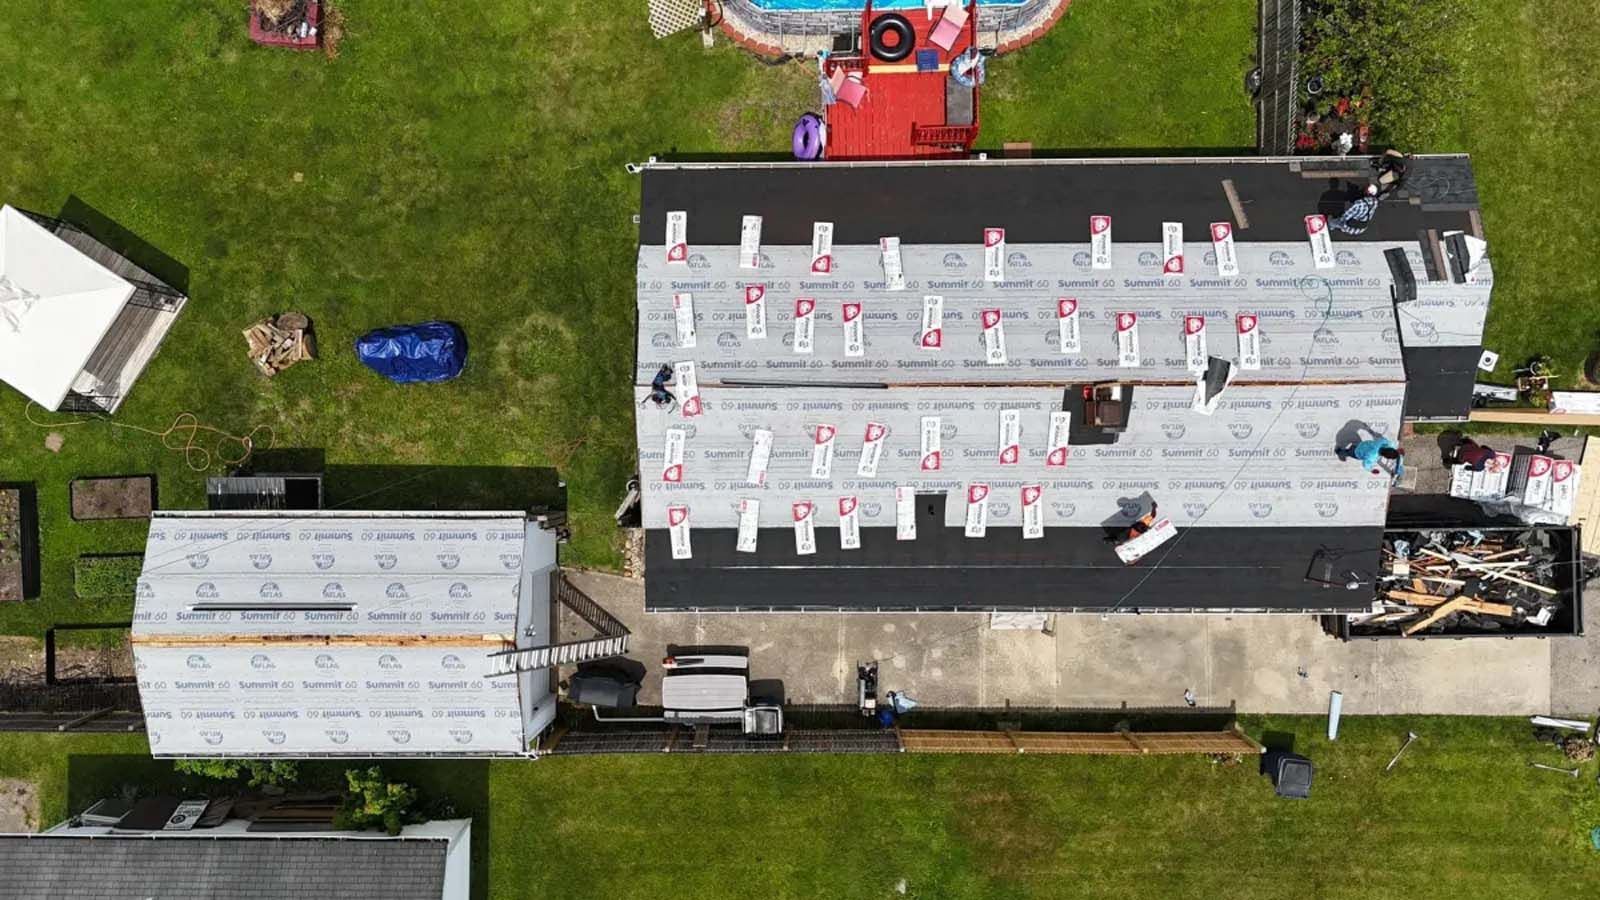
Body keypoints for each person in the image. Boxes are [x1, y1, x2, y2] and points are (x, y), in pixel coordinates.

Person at [1338, 436, 1404, 478]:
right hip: (1357, 452)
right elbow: (1365, 464)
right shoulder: (1372, 457)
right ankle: (1339, 451)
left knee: (1355, 446)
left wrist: (1397, 452)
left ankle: (1350, 446)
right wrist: (1372, 470)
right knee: (1348, 452)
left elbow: (1390, 444)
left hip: (1363, 444)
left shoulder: (1383, 442)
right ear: (1385, 457)